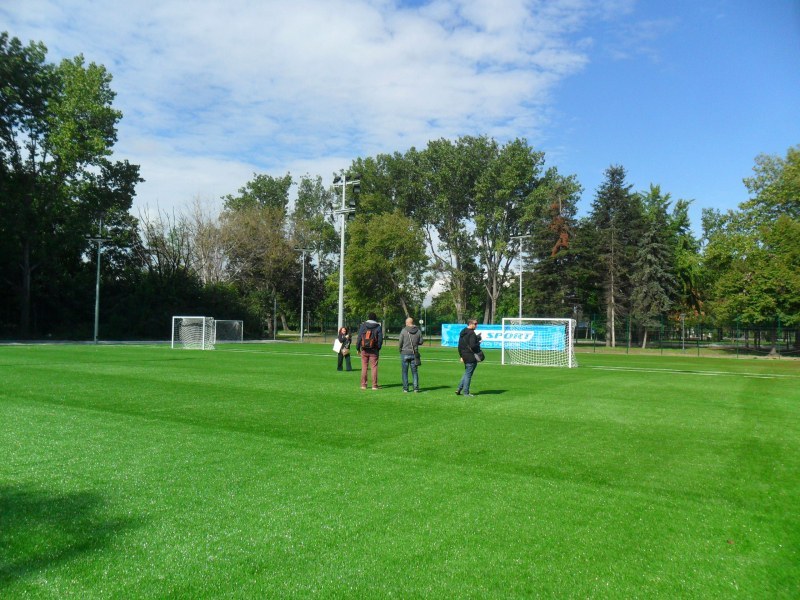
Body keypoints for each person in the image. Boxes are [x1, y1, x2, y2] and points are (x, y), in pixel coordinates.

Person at [356, 312, 383, 390]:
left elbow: (359, 337)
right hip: (374, 350)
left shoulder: (363, 325)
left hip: (364, 349)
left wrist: (358, 348)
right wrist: (378, 348)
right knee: (374, 367)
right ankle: (374, 385)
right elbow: (380, 339)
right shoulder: (378, 326)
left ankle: (363, 385)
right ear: (375, 318)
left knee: (364, 367)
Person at [456, 319, 482, 397]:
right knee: (468, 375)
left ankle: (459, 389)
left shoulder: (463, 332)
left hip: (464, 355)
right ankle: (466, 392)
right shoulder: (472, 333)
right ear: (471, 324)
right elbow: (473, 345)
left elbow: (459, 346)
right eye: (475, 323)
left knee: (467, 373)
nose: (476, 325)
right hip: (471, 356)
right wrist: (479, 342)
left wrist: (461, 356)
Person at [398, 316, 423, 393]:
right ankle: (416, 388)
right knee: (415, 372)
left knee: (404, 372)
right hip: (414, 353)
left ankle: (405, 388)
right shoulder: (418, 331)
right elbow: (421, 341)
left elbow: (400, 342)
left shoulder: (403, 330)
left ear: (408, 323)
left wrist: (400, 349)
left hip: (404, 352)